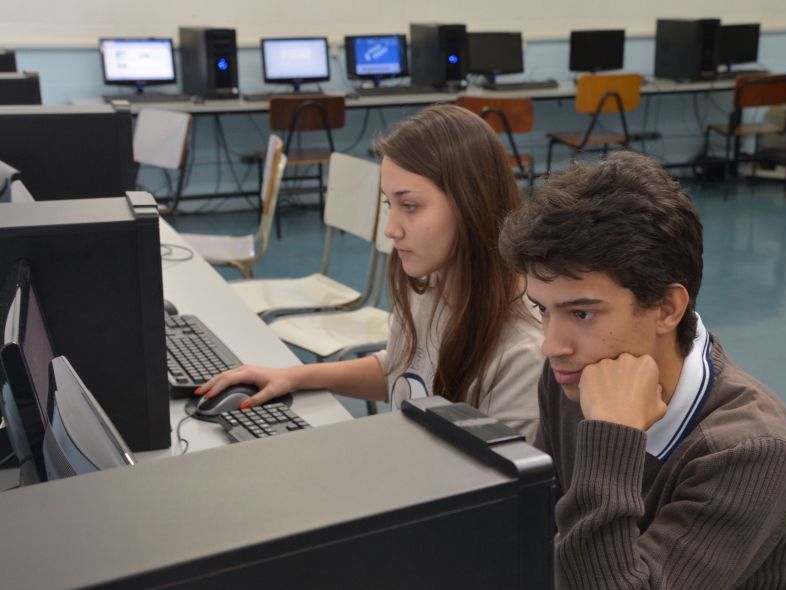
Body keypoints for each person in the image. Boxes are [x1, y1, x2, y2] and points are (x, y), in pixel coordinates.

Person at [499, 150, 786, 588]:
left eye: (582, 313)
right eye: (542, 310)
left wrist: (609, 439)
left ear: (666, 308)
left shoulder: (750, 451)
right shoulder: (574, 373)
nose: (551, 345)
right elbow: (545, 536)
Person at [197, 104, 545, 443]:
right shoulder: (429, 286)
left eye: (410, 206)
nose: (391, 228)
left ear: (472, 205)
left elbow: (492, 491)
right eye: (387, 204)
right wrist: (294, 377)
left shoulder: (524, 352)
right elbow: (399, 367)